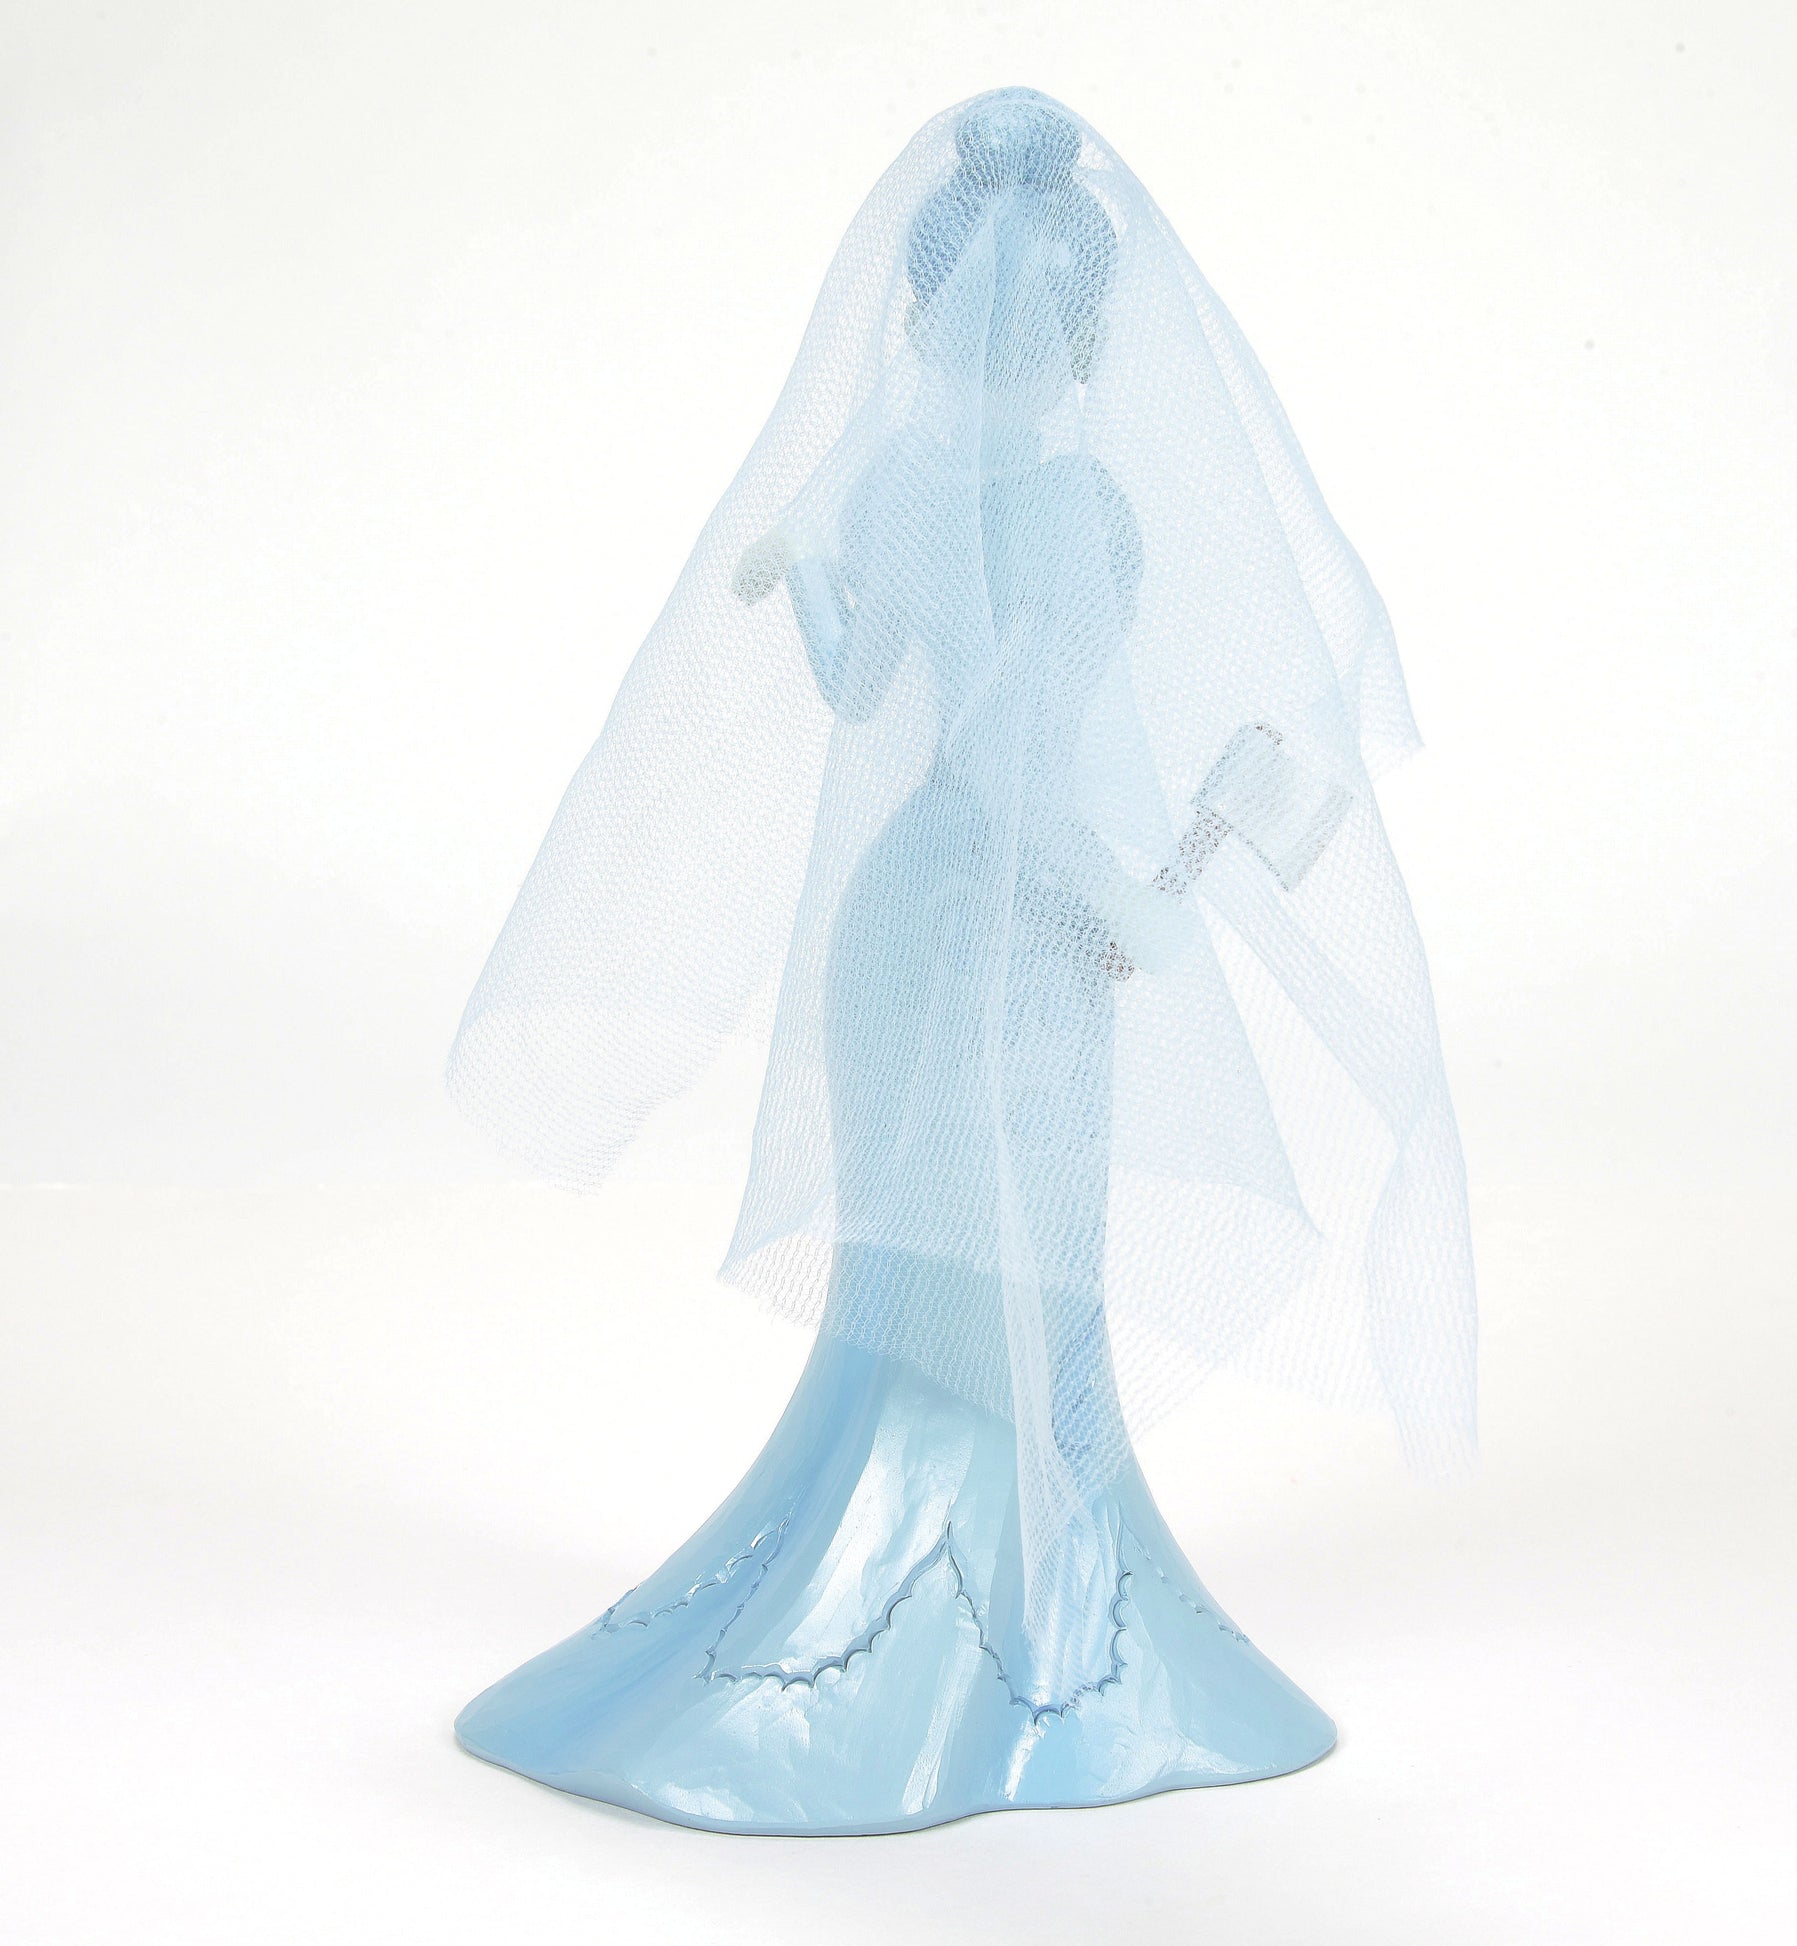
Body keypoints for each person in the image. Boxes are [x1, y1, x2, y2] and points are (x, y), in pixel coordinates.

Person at [448, 87, 1475, 1834]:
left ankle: (947, 1570)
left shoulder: (899, 490)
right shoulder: (1086, 514)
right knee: (1017, 1254)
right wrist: (1127, 899)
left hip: (907, 900)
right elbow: (1036, 756)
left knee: (932, 1257)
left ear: (918, 317)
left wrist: (805, 575)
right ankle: (1034, 1614)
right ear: (1091, 337)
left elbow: (873, 699)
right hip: (1016, 916)